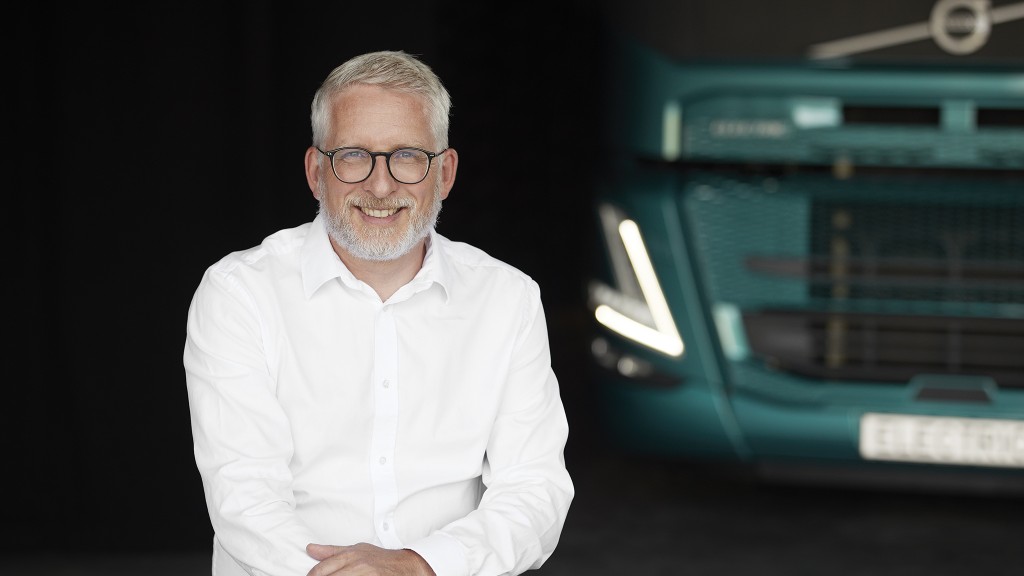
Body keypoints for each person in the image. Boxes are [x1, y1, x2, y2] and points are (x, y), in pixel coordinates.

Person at [183, 50, 574, 576]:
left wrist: (417, 566)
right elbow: (244, 496)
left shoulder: (509, 299)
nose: (381, 185)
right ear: (316, 172)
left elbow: (534, 490)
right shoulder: (239, 294)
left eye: (407, 155)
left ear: (446, 173)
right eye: (353, 156)